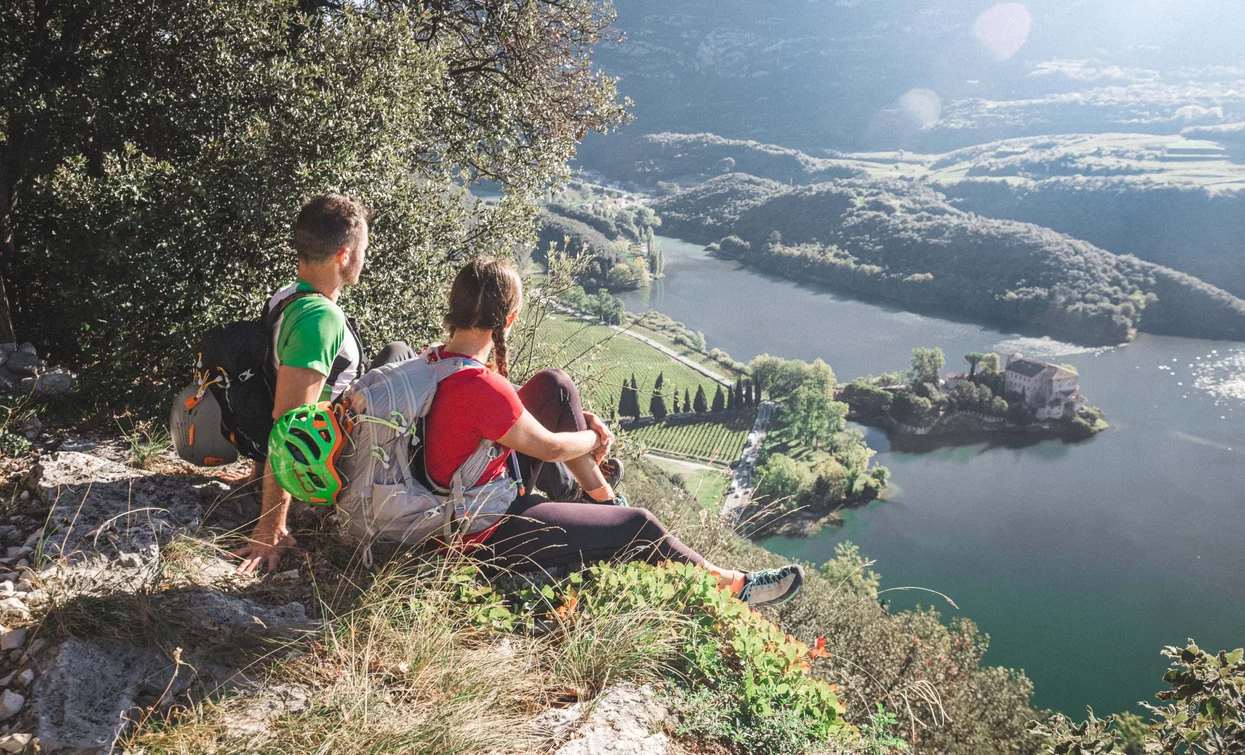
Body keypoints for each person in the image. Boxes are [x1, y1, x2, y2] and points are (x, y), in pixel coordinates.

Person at [416, 256, 804, 607]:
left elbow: (501, 411)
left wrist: (577, 419)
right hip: (479, 531)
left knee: (555, 386)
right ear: (511, 318)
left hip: (458, 497)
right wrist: (593, 438)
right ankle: (734, 586)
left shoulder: (436, 360)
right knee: (639, 525)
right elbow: (550, 449)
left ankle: (597, 500)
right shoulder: (485, 387)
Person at [233, 194, 414, 573]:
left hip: (321, 442)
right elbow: (289, 427)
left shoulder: (287, 296)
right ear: (344, 255)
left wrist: (254, 473)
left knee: (397, 353)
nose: (365, 258)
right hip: (326, 469)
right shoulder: (321, 321)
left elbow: (271, 383)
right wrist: (271, 528)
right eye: (363, 249)